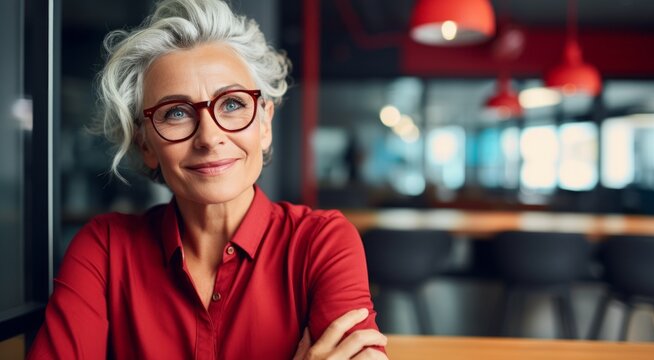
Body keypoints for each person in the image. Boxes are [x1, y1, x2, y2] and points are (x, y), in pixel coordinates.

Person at [27, 0, 387, 359]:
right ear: (146, 145)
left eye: (232, 104)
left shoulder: (322, 242)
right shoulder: (104, 249)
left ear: (264, 126)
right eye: (177, 112)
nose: (209, 137)